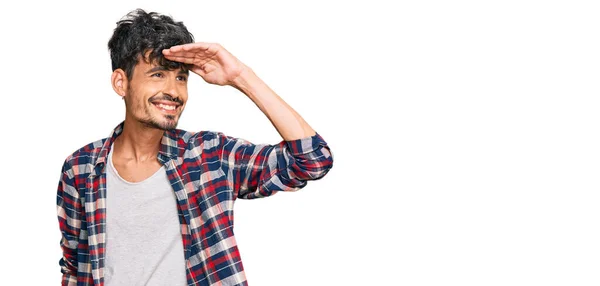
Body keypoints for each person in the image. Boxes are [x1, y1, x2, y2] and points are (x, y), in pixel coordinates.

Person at [56, 9, 333, 286]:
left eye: (181, 78)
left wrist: (240, 76)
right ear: (121, 82)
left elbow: (312, 159)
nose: (174, 91)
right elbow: (74, 268)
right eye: (158, 74)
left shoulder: (210, 156)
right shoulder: (81, 168)